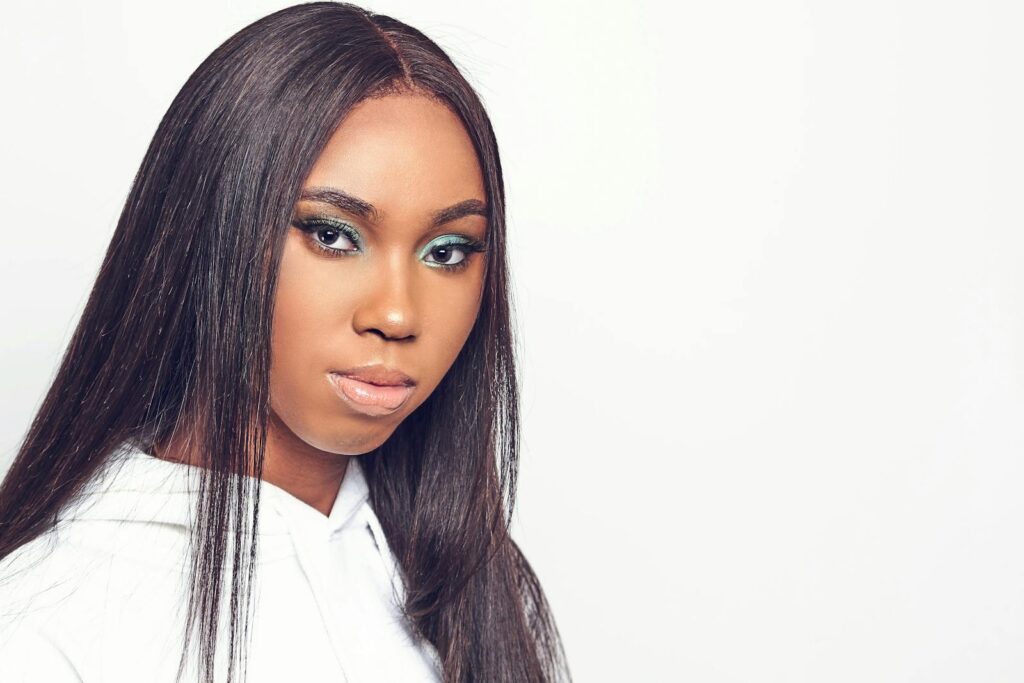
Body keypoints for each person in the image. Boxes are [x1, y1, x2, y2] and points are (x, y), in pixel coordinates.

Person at [0, 3, 571, 681]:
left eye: (446, 251)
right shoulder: (44, 625)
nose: (397, 314)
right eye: (332, 235)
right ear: (208, 231)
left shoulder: (466, 586)